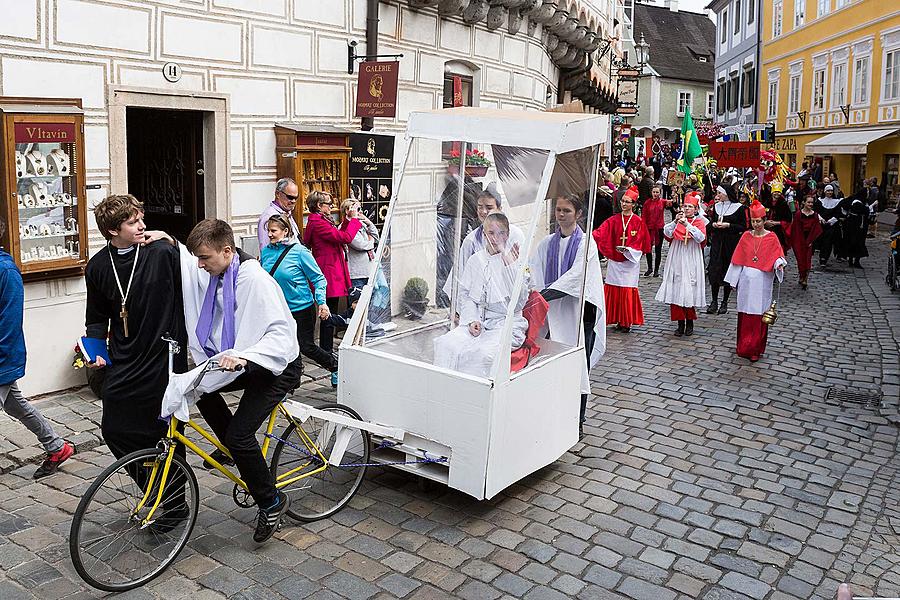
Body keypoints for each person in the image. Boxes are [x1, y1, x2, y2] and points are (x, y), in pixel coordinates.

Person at [155, 219, 300, 544]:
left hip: (276, 365)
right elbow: (189, 268)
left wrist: (248, 356)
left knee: (240, 434)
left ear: (227, 251)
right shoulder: (218, 268)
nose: (199, 265)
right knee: (201, 390)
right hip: (242, 360)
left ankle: (271, 501)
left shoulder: (254, 280)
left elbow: (280, 333)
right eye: (196, 257)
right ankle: (237, 451)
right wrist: (168, 237)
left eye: (204, 257)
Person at [84, 194, 189, 462]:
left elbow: (197, 275)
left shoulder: (162, 252)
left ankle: (176, 501)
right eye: (133, 222)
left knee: (164, 432)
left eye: (141, 218)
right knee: (114, 429)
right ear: (112, 230)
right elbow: (96, 317)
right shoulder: (97, 266)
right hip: (124, 358)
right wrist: (95, 352)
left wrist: (174, 242)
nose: (142, 225)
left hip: (162, 356)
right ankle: (151, 487)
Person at [0, 217, 74, 478]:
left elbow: (9, 323)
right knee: (15, 405)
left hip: (2, 358)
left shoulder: (6, 271)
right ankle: (57, 447)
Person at [530, 194, 606, 434]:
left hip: (578, 313)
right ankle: (554, 412)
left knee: (577, 365)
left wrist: (547, 293)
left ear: (579, 214)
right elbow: (534, 269)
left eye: (567, 211)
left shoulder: (586, 243)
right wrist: (537, 294)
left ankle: (578, 419)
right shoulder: (546, 243)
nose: (561, 215)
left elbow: (577, 276)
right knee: (552, 361)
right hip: (553, 313)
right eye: (558, 210)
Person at [433, 213, 526, 378]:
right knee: (446, 344)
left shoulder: (516, 262)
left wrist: (509, 268)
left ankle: (476, 401)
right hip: (477, 322)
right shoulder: (475, 260)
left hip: (504, 325)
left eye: (501, 233)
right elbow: (466, 296)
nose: (496, 238)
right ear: (484, 234)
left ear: (508, 234)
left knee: (482, 355)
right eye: (491, 233)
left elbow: (518, 304)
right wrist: (471, 320)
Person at [260, 214, 336, 376]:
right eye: (268, 231)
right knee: (284, 347)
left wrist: (322, 302)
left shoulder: (299, 252)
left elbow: (319, 278)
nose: (269, 234)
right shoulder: (266, 252)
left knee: (305, 346)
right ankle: (291, 381)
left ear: (285, 231)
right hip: (278, 310)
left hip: (301, 309)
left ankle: (336, 366)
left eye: (273, 230)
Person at [303, 191, 362, 387]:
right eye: (328, 203)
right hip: (328, 272)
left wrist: (346, 220)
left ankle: (327, 351)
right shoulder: (317, 222)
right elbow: (343, 238)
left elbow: (337, 234)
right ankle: (327, 353)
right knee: (328, 311)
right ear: (319, 205)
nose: (331, 206)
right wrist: (353, 221)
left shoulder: (318, 220)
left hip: (333, 269)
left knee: (331, 310)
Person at [724, 201, 786, 362]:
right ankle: (743, 347)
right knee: (745, 312)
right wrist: (733, 281)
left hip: (762, 281)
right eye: (753, 221)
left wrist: (778, 263)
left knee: (759, 312)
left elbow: (778, 257)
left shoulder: (772, 237)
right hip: (746, 281)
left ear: (764, 220)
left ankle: (755, 349)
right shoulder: (746, 236)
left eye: (759, 221)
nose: (756, 224)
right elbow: (737, 260)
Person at [592, 189, 650, 333]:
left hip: (630, 262)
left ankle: (626, 321)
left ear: (633, 204)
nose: (623, 204)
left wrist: (629, 250)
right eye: (622, 201)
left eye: (627, 202)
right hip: (615, 261)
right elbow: (601, 232)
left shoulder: (638, 221)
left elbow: (642, 241)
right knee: (614, 288)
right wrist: (587, 235)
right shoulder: (614, 219)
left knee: (627, 289)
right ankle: (617, 319)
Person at [655, 193, 707, 337]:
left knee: (689, 286)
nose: (687, 209)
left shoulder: (699, 221)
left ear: (696, 209)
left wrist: (687, 225)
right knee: (677, 286)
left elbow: (700, 238)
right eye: (685, 206)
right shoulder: (678, 220)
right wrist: (675, 222)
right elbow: (667, 233)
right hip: (677, 253)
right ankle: (680, 323)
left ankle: (690, 321)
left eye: (690, 207)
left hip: (691, 254)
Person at [435, 172, 480, 307]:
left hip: (458, 230)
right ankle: (446, 298)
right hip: (454, 230)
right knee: (451, 262)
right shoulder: (453, 202)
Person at [705, 185, 747, 315]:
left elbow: (743, 227)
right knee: (714, 270)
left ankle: (724, 302)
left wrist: (728, 225)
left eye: (719, 193)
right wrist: (713, 225)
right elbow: (710, 224)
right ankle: (714, 301)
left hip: (730, 243)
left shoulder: (739, 208)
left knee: (728, 270)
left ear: (726, 194)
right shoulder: (717, 207)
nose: (717, 195)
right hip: (717, 242)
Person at [340, 199, 379, 289]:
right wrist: (371, 242)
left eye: (360, 208)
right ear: (347, 211)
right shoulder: (345, 227)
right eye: (357, 209)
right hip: (357, 273)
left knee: (382, 292)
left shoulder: (361, 224)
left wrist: (367, 221)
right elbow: (360, 245)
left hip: (369, 269)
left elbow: (376, 237)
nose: (360, 211)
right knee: (358, 301)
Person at [257, 178, 301, 253]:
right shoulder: (268, 216)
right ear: (278, 194)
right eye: (290, 197)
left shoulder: (286, 212)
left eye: (295, 198)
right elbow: (265, 247)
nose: (293, 201)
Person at [790, 195, 823, 289]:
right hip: (799, 239)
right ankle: (801, 275)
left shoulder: (815, 215)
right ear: (804, 202)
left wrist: (811, 240)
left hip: (810, 240)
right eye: (808, 202)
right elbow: (795, 229)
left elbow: (816, 229)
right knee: (800, 260)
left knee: (807, 260)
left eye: (812, 202)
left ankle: (805, 279)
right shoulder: (798, 214)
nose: (810, 204)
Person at [814, 184, 844, 268]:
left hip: (831, 225)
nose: (829, 192)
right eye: (828, 191)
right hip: (821, 224)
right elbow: (816, 212)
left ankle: (824, 259)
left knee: (828, 242)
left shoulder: (836, 202)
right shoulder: (820, 201)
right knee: (821, 241)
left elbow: (838, 213)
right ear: (825, 191)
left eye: (831, 191)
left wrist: (831, 221)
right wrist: (821, 219)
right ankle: (821, 257)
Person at [641, 184, 666, 277]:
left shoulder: (662, 202)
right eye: (654, 192)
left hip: (659, 228)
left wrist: (675, 195)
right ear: (651, 192)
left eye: (657, 192)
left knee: (658, 249)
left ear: (660, 193)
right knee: (648, 249)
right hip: (649, 228)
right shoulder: (647, 203)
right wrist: (643, 228)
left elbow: (672, 204)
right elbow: (643, 216)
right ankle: (650, 268)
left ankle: (656, 269)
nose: (655, 194)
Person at [843, 188, 870, 269]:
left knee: (858, 242)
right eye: (867, 192)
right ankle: (852, 260)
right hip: (855, 224)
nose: (868, 193)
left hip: (860, 224)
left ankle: (855, 260)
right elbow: (864, 210)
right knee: (854, 241)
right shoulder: (856, 202)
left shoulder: (863, 201)